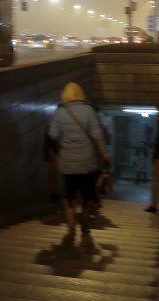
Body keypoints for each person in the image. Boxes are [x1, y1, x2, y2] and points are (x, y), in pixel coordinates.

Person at [47, 82, 108, 235]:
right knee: (87, 194)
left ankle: (71, 226)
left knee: (69, 195)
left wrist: (64, 140)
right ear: (80, 94)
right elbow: (97, 135)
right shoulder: (89, 111)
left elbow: (53, 134)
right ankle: (85, 222)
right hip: (88, 162)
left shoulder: (60, 112)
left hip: (67, 163)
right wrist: (104, 152)